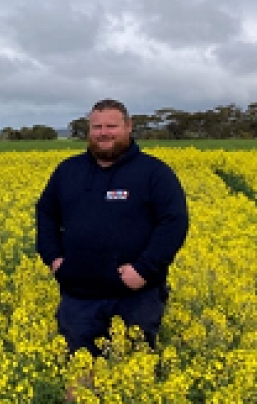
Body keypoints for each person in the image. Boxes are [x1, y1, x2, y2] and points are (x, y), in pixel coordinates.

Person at [35, 98, 189, 357]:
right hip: (79, 297)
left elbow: (174, 223)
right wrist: (54, 259)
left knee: (133, 375)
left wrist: (144, 269)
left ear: (128, 127)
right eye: (97, 127)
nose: (103, 133)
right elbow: (46, 213)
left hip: (136, 298)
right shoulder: (68, 171)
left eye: (111, 126)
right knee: (79, 376)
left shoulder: (154, 172)